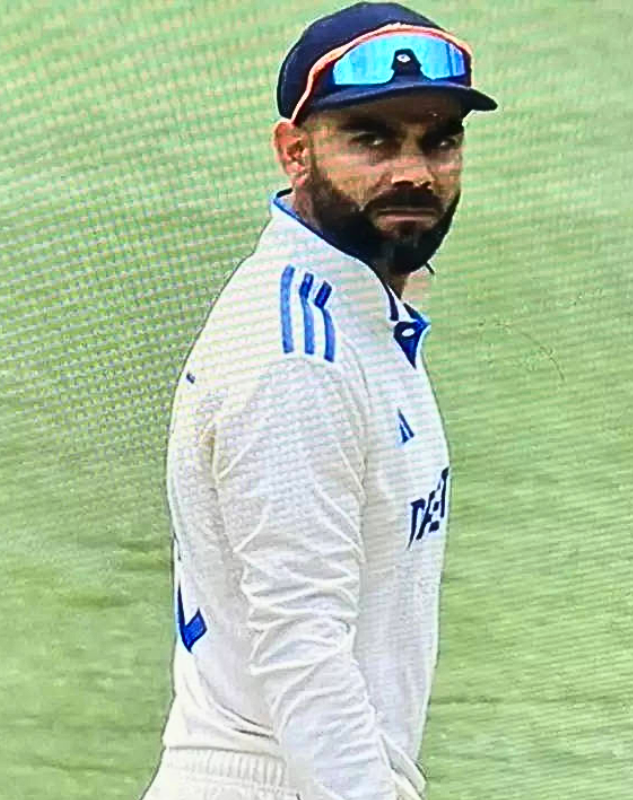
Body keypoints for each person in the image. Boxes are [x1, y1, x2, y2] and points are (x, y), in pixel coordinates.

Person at [143, 4, 496, 799]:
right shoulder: (298, 361)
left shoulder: (359, 312)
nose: (414, 170)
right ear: (294, 152)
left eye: (439, 139)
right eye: (371, 139)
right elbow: (304, 651)